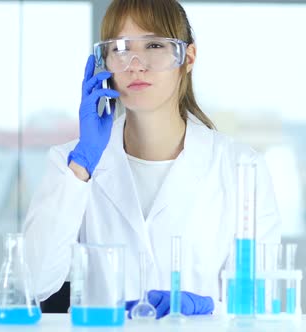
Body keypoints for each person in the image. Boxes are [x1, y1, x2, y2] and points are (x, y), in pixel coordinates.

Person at [23, 0, 281, 319]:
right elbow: (33, 282)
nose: (136, 64)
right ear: (104, 61)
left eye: (155, 45)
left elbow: (264, 301)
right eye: (120, 48)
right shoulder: (71, 162)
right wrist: (81, 167)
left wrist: (209, 309)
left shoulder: (241, 167)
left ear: (187, 58)